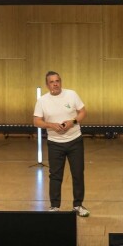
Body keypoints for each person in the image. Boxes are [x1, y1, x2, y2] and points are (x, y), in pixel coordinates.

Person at [33, 71, 89, 217]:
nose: (55, 84)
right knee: (55, 175)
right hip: (55, 143)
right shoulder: (42, 101)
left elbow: (83, 112)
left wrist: (73, 122)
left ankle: (78, 205)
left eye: (57, 81)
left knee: (77, 174)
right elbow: (36, 121)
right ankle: (54, 206)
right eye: (52, 82)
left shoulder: (72, 94)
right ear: (47, 85)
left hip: (75, 140)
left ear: (61, 82)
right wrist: (51, 125)